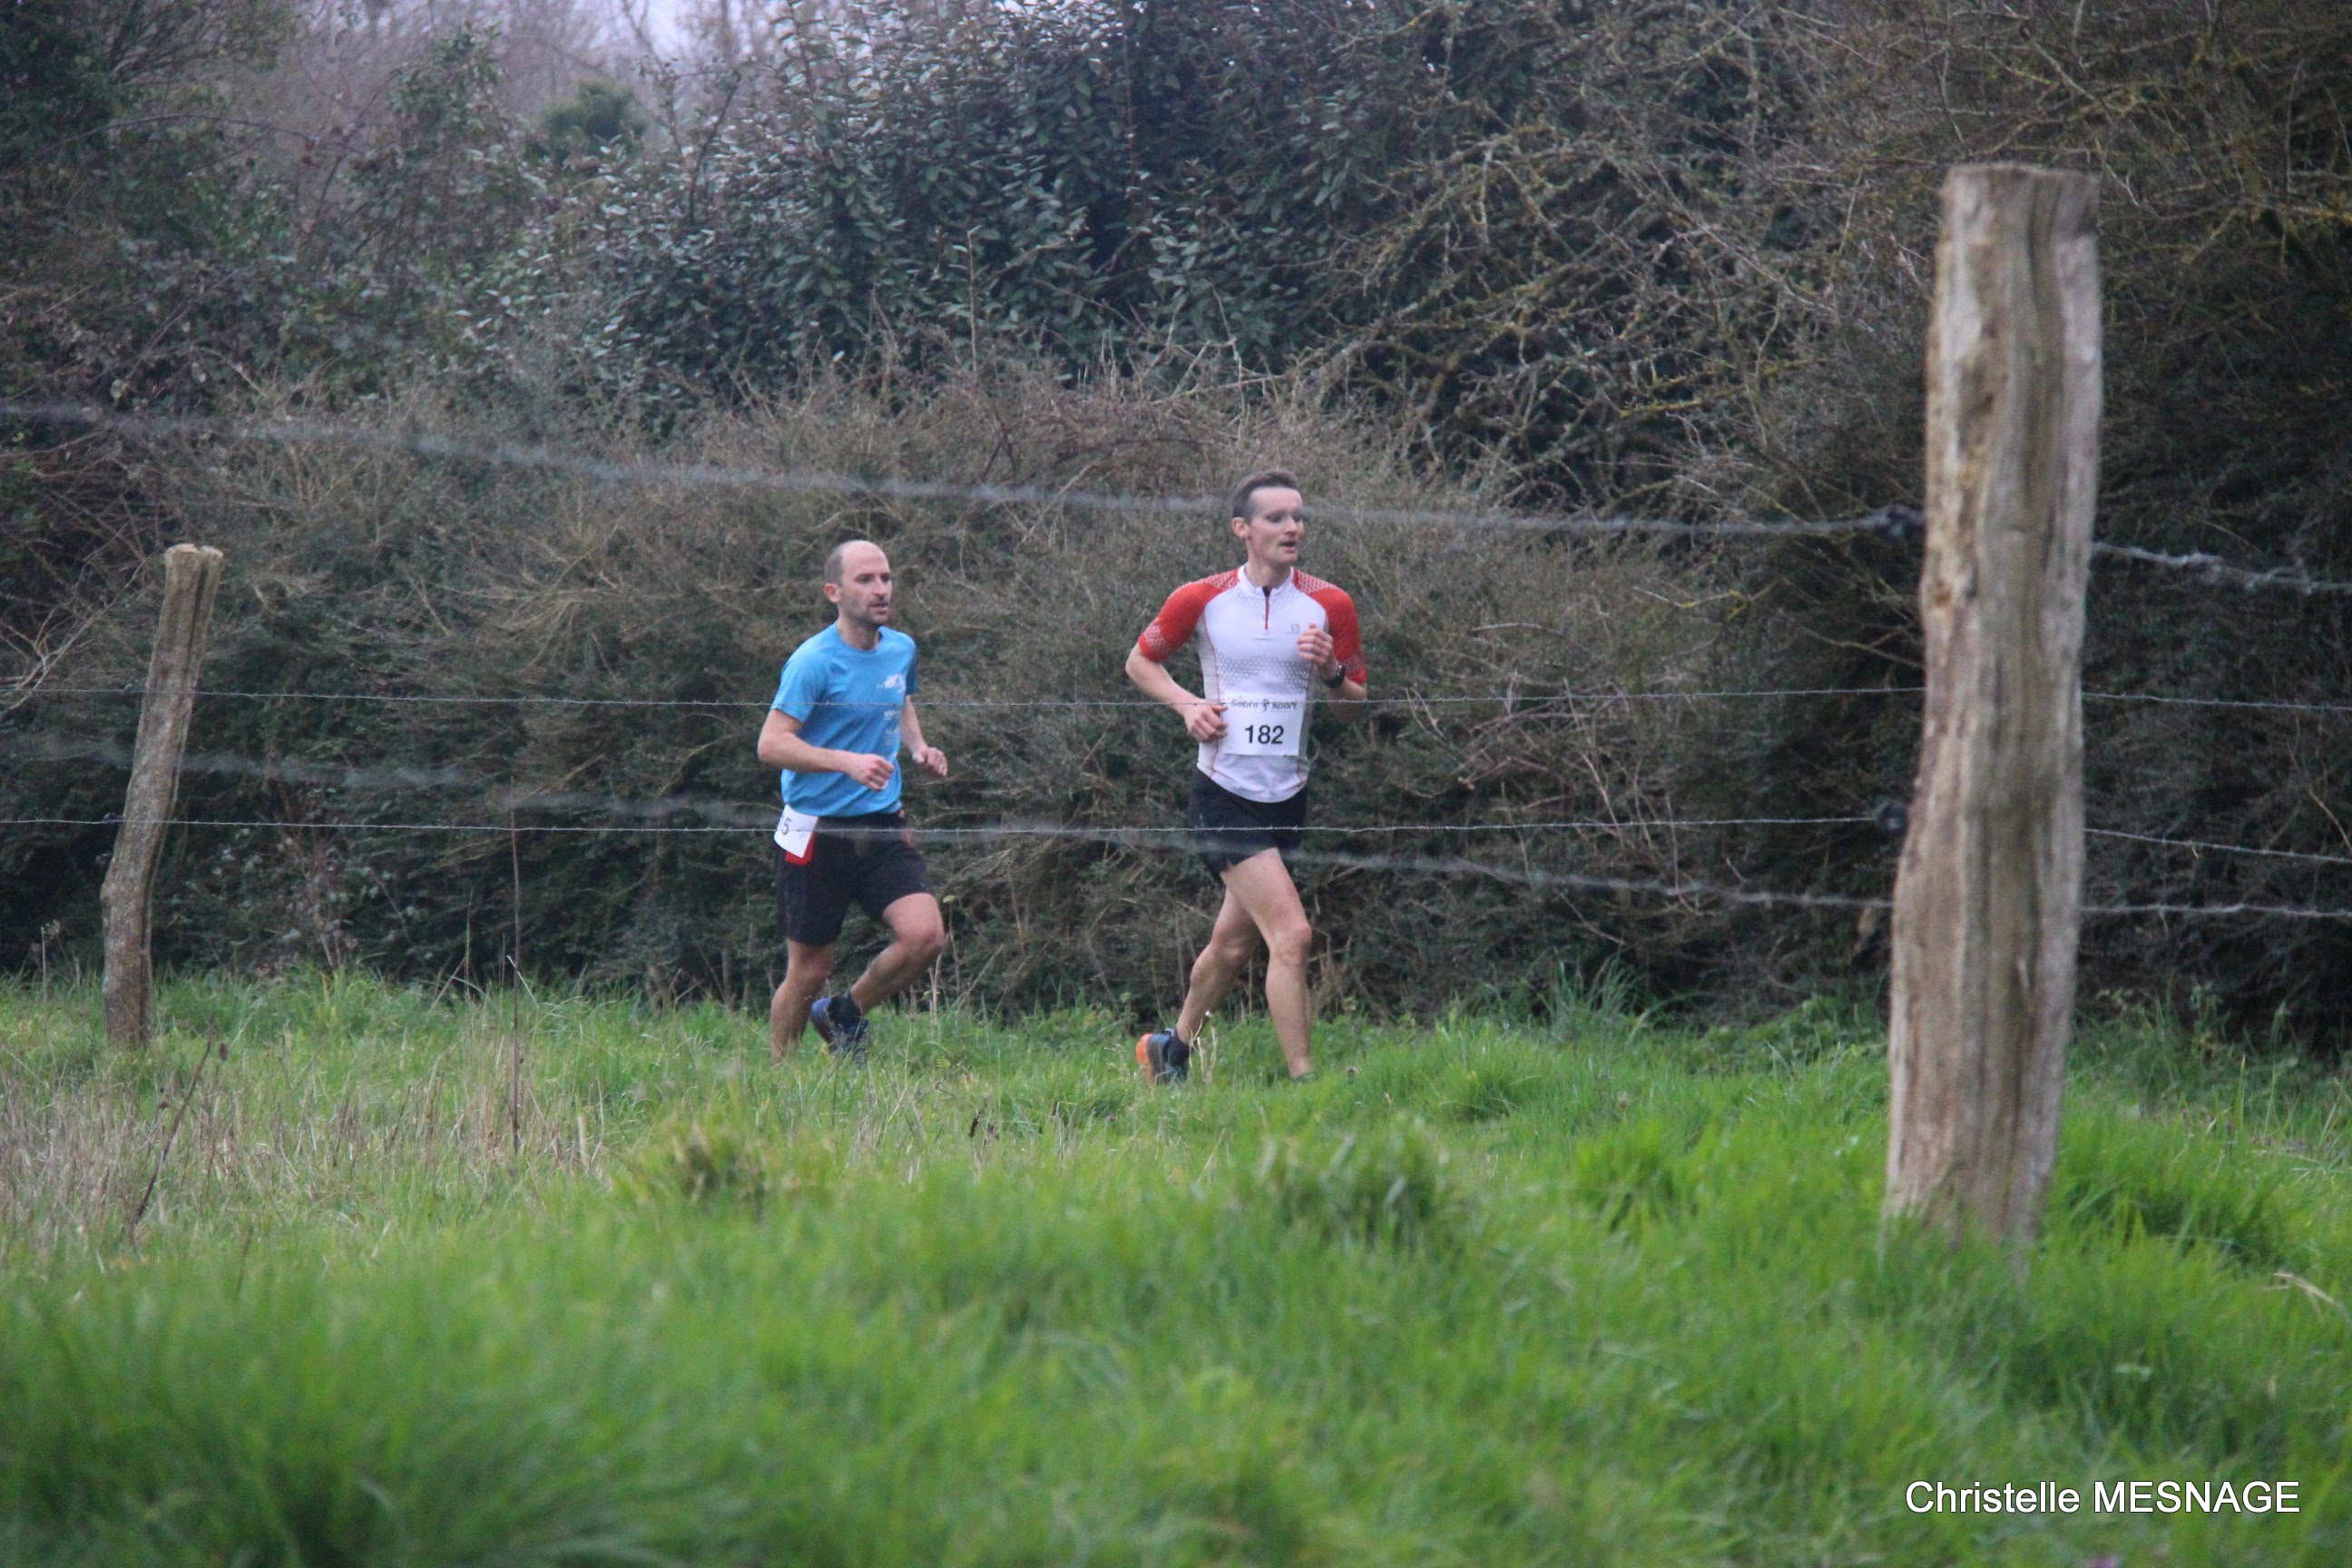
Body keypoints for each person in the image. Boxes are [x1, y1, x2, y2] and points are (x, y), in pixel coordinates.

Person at [1123, 468, 1367, 1083]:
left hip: (1288, 797)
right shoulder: (1200, 598)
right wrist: (1188, 706)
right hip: (1222, 794)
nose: (1292, 527)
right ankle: (1306, 1081)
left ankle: (1169, 1051)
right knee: (1292, 934)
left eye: (1298, 516)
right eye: (1276, 517)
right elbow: (1140, 662)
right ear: (1243, 528)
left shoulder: (1331, 604)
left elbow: (1354, 703)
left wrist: (1332, 672)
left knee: (1233, 944)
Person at [757, 539, 948, 1059]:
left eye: (885, 578)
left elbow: (898, 698)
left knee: (925, 937)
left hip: (882, 821)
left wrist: (918, 747)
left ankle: (844, 1014)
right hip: (815, 828)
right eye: (865, 580)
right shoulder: (812, 662)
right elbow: (771, 744)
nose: (880, 589)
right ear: (834, 592)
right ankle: (778, 1076)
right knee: (810, 969)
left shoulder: (901, 648)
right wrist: (845, 761)